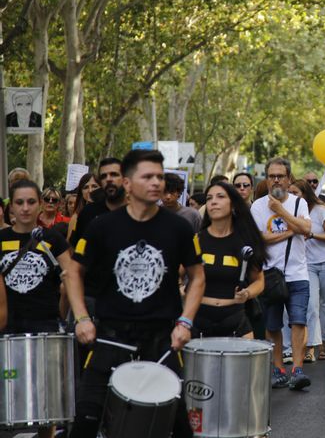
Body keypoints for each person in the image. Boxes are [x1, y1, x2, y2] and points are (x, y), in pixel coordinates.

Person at [66, 149, 206, 438]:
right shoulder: (102, 226)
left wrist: (185, 322)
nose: (156, 182)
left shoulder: (178, 227)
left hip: (161, 338)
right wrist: (81, 318)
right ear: (128, 184)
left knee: (180, 424)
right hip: (110, 336)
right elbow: (73, 272)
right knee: (86, 420)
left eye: (160, 177)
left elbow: (198, 276)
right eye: (148, 177)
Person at [0, 180, 76, 438]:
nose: (25, 208)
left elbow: (71, 275)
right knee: (8, 391)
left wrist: (73, 310)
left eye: (31, 202)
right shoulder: (1, 239)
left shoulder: (52, 239)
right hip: (8, 324)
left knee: (47, 398)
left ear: (40, 205)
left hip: (44, 323)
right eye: (19, 202)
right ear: (11, 206)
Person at [250, 157, 312, 390]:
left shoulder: (299, 203)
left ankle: (297, 369)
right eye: (271, 176)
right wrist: (290, 231)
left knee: (298, 321)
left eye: (280, 176)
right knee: (273, 325)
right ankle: (278, 369)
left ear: (288, 179)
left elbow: (306, 228)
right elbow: (258, 239)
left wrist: (279, 211)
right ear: (266, 179)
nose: (276, 180)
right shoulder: (257, 206)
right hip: (270, 274)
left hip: (298, 273)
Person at [194, 181, 265, 338]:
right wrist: (181, 289)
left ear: (233, 204)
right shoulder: (196, 240)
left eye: (220, 196)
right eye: (209, 198)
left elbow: (259, 281)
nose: (213, 202)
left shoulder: (246, 241)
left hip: (235, 319)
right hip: (198, 320)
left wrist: (247, 293)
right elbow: (176, 273)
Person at [290, 178, 325, 362]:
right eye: (290, 193)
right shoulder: (290, 212)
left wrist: (312, 235)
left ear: (305, 194)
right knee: (311, 306)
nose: (292, 196)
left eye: (295, 193)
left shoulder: (320, 210)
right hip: (307, 264)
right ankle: (310, 347)